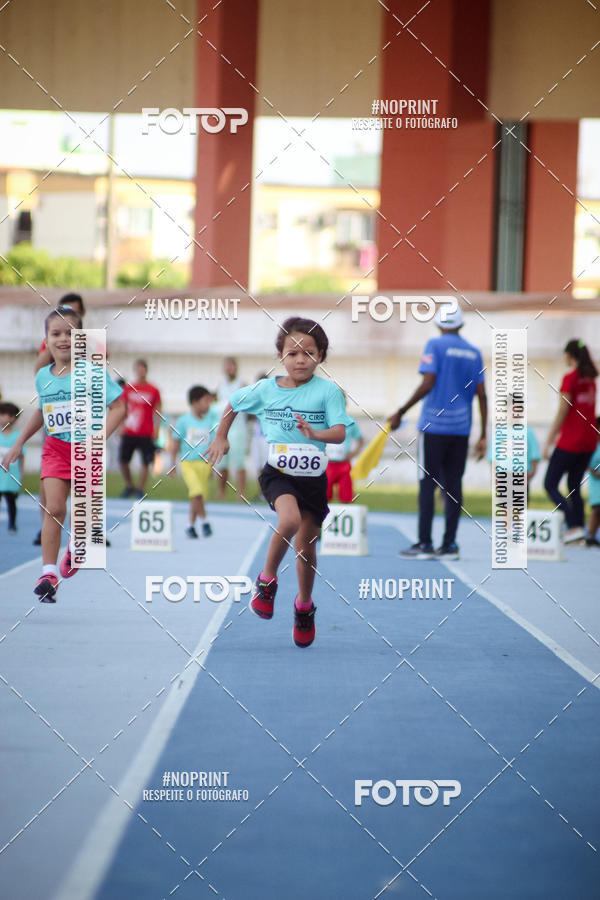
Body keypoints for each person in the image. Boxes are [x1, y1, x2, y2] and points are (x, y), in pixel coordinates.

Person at [207, 316, 354, 648]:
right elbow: (232, 404)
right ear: (281, 355)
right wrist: (220, 437)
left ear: (321, 356)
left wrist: (315, 433)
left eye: (309, 352)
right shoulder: (265, 390)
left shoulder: (327, 391)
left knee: (305, 548)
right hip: (279, 474)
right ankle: (267, 581)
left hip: (313, 479)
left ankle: (304, 606)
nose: (300, 359)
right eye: (292, 352)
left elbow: (340, 431)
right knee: (288, 519)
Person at [1, 306, 125, 602]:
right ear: (47, 339)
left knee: (83, 517)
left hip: (85, 451)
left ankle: (77, 545)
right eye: (56, 333)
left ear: (81, 338)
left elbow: (119, 408)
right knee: (54, 509)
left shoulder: (94, 373)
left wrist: (97, 439)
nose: (63, 339)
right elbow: (43, 412)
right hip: (55, 449)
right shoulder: (43, 376)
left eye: (70, 333)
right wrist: (19, 443)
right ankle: (48, 572)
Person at [389, 305, 487, 560]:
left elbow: (428, 382)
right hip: (461, 429)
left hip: (434, 426)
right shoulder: (474, 352)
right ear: (461, 325)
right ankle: (450, 545)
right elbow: (482, 395)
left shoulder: (434, 345)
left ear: (439, 324)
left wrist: (401, 410)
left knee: (427, 484)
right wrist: (484, 434)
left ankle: (424, 543)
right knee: (454, 485)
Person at [33, 293, 86, 545]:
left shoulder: (89, 343)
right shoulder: (51, 343)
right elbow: (40, 374)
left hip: (84, 428)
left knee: (85, 487)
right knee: (50, 476)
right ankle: (47, 521)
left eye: (73, 312)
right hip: (55, 422)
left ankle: (85, 531)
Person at [544, 339, 598, 543]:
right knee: (573, 484)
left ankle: (573, 524)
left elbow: (562, 411)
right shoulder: (590, 379)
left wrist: (549, 441)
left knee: (550, 484)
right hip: (589, 441)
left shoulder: (570, 378)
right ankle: (579, 530)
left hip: (571, 441)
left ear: (569, 355)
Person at [170, 385, 219, 538]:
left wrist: (212, 464)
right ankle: (197, 523)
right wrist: (172, 464)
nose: (208, 405)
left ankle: (196, 524)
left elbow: (212, 443)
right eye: (205, 401)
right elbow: (176, 443)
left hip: (204, 465)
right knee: (196, 492)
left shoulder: (210, 419)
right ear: (195, 402)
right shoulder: (183, 421)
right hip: (188, 463)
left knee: (198, 496)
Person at [119, 359, 162, 498]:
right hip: (130, 430)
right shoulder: (128, 388)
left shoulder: (153, 390)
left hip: (146, 431)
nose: (141, 371)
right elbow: (122, 408)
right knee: (123, 460)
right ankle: (129, 485)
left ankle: (140, 489)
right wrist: (120, 425)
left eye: (143, 369)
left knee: (146, 461)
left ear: (146, 370)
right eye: (139, 369)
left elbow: (158, 410)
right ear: (135, 370)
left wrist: (157, 428)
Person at [487, 395, 540, 501]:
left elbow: (535, 456)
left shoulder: (528, 432)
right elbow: (492, 458)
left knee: (519, 509)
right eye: (512, 410)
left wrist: (531, 474)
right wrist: (495, 476)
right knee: (505, 507)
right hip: (503, 475)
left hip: (521, 475)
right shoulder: (499, 433)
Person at [215, 357, 248, 500]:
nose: (230, 369)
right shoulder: (220, 386)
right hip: (223, 427)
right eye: (227, 366)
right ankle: (221, 491)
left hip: (238, 428)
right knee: (222, 462)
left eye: (232, 366)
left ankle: (241, 493)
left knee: (239, 461)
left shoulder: (242, 384)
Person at [325, 407, 364, 503]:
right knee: (324, 495)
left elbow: (360, 439)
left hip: (344, 463)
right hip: (327, 464)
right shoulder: (324, 420)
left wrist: (354, 453)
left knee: (346, 496)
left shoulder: (350, 422)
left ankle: (345, 513)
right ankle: (324, 516)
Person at [0, 402, 23, 533]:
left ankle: (12, 524)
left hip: (11, 476)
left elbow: (22, 457)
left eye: (3, 414)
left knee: (11, 502)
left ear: (13, 418)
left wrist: (21, 474)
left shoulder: (17, 437)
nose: (0, 417)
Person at [586, 418, 600, 547]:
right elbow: (586, 462)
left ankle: (591, 535)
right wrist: (593, 470)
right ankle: (590, 535)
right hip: (596, 482)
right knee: (597, 509)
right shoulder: (592, 446)